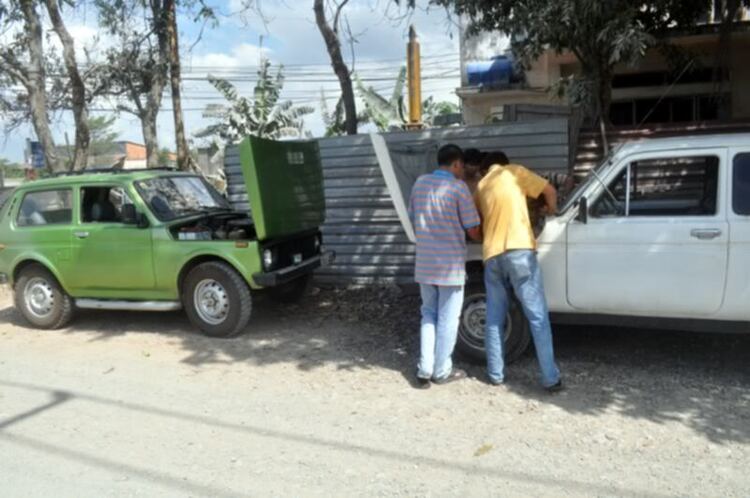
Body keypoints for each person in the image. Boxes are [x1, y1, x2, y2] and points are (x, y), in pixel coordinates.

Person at [475, 151, 563, 392]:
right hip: (519, 250)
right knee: (537, 316)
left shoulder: (482, 186)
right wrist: (551, 211)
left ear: (485, 169)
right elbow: (550, 192)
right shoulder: (515, 171)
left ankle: (495, 374)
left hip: (492, 256)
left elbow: (480, 222)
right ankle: (550, 378)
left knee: (494, 318)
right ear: (505, 163)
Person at [408, 144, 482, 389]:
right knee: (448, 319)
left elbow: (412, 216)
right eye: (462, 167)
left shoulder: (419, 183)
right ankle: (441, 371)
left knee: (428, 314)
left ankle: (424, 369)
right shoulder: (458, 188)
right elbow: (472, 228)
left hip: (425, 263)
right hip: (449, 266)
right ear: (457, 164)